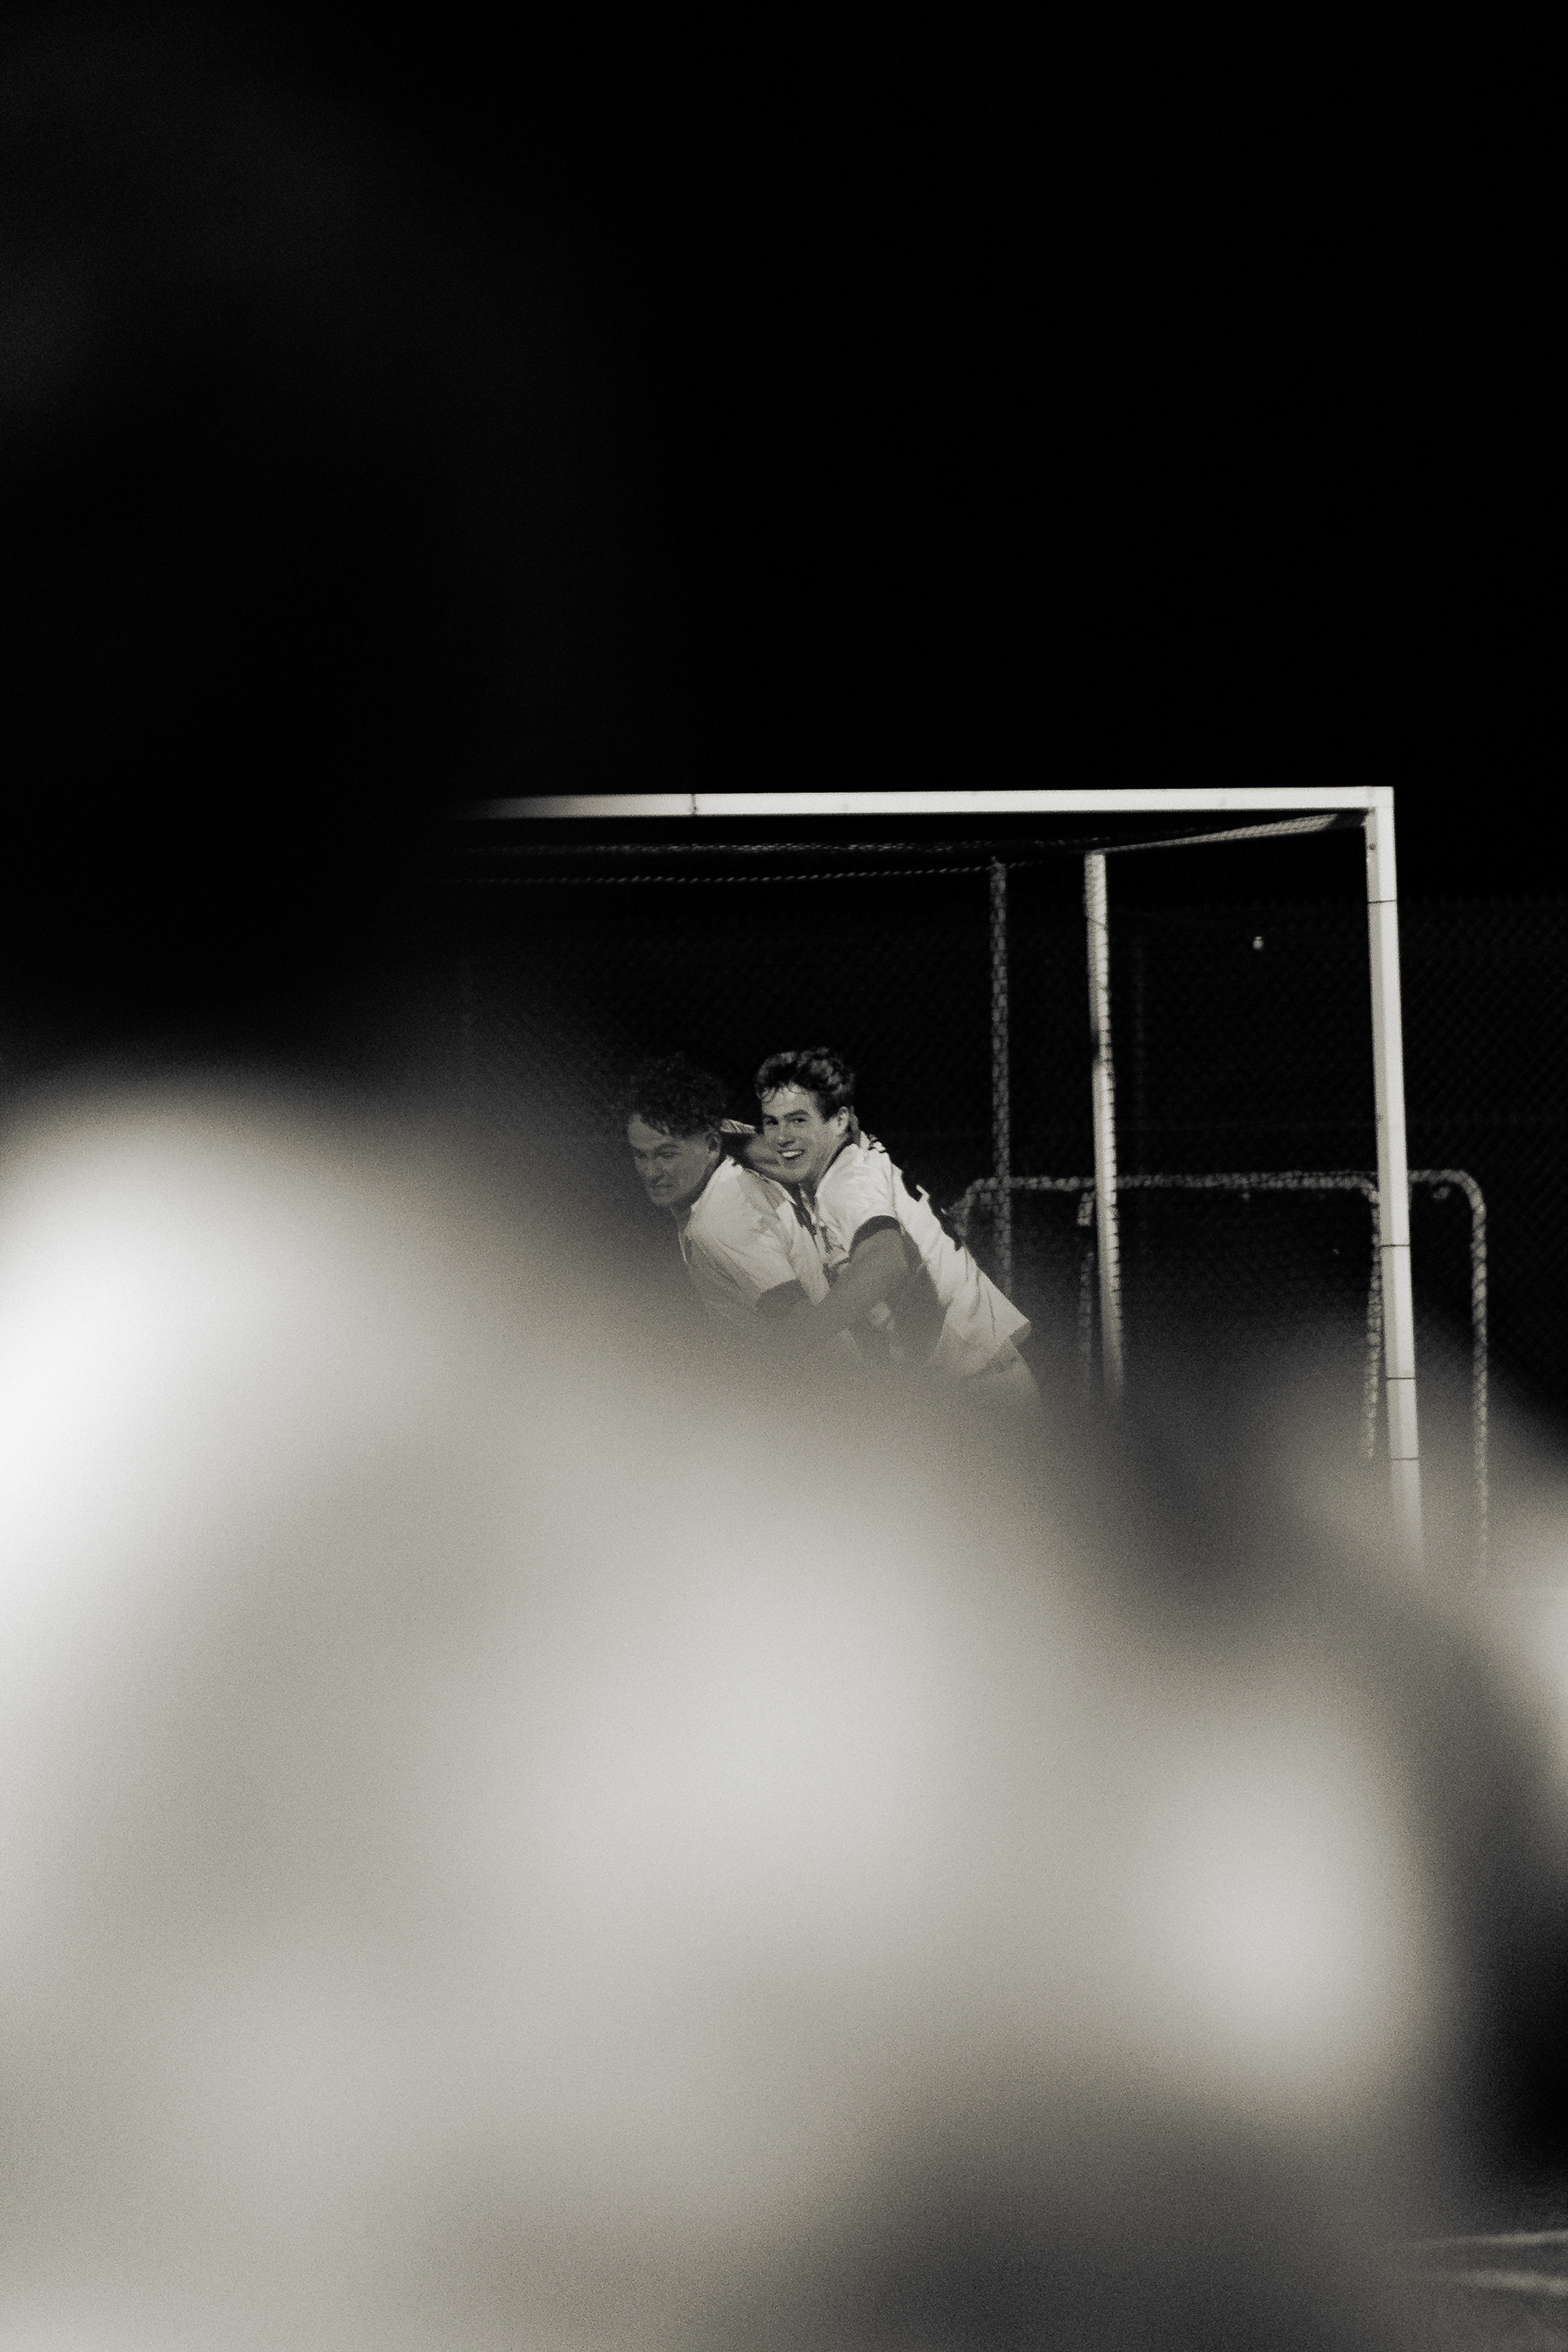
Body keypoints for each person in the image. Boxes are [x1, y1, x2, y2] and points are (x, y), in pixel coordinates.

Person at [746, 1045, 1042, 1408]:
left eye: (798, 1120)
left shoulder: (847, 1185)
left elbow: (886, 1262)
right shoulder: (851, 1151)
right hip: (982, 1379)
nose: (781, 1136)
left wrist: (792, 1344)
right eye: (771, 1122)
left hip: (980, 1395)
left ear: (839, 1121)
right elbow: (766, 1151)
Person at [623, 1053, 837, 1340]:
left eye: (667, 1155)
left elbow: (801, 1331)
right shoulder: (727, 1172)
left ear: (712, 1146)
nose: (650, 1173)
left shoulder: (722, 1222)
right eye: (640, 1155)